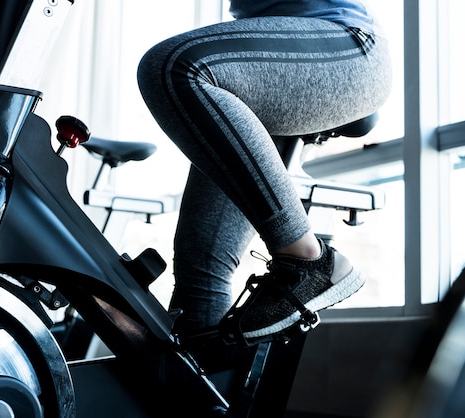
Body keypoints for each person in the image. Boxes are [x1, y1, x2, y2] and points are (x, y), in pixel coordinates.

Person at [137, 0, 392, 346]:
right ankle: (192, 396)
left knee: (173, 67)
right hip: (263, 66)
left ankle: (307, 258)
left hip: (343, 48)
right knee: (200, 268)